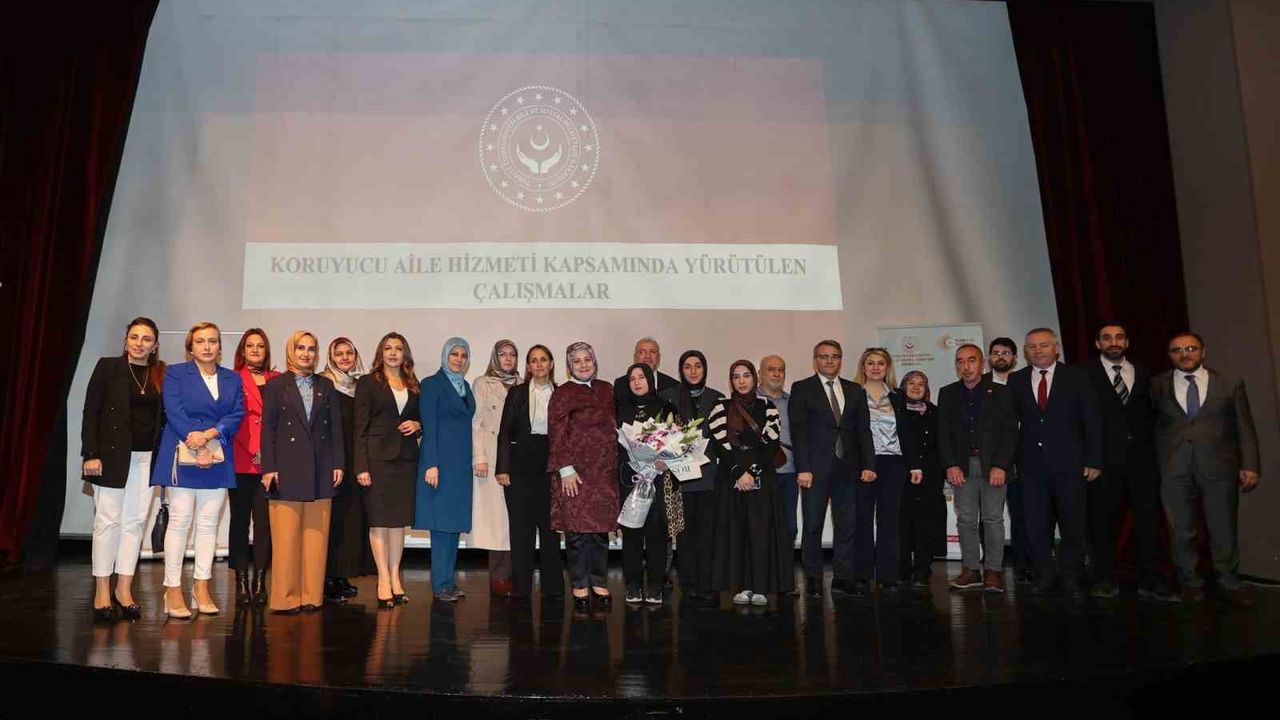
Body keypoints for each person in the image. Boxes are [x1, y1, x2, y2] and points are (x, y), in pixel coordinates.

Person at [1151, 332, 1261, 605]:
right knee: (1181, 529)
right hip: (1174, 469)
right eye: (1177, 350)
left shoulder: (1229, 383)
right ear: (1169, 355)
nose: (1184, 354)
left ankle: (1228, 581)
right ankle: (1189, 582)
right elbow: (1152, 427)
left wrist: (1250, 464)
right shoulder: (1156, 385)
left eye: (1190, 348)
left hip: (1218, 467)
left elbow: (1244, 427)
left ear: (1203, 351)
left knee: (1222, 526)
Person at [150, 321, 245, 618]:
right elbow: (174, 410)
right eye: (201, 341)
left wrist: (210, 436)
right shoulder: (177, 373)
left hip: (217, 455)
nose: (207, 346)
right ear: (190, 347)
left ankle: (201, 586)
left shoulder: (232, 378)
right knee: (180, 521)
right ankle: (173, 589)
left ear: (219, 346)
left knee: (208, 525)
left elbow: (237, 413)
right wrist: (197, 440)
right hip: (183, 452)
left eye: (213, 341)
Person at [81, 316, 165, 620]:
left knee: (134, 523)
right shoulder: (108, 367)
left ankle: (124, 589)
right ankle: (102, 589)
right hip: (111, 457)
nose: (139, 343)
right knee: (107, 522)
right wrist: (90, 453)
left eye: (146, 339)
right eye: (134, 337)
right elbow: (91, 411)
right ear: (125, 340)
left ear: (155, 345)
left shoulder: (161, 373)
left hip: (147, 459)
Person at [1081, 323, 1173, 600]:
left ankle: (1151, 579)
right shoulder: (1082, 374)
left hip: (1143, 462)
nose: (1113, 342)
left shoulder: (1146, 375)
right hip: (1102, 462)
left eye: (1119, 337)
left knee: (1147, 522)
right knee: (1102, 522)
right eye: (1106, 338)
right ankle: (1104, 579)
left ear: (1127, 342)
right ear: (1097, 343)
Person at [1009, 328, 1102, 597]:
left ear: (1056, 348)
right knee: (1036, 525)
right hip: (1030, 468)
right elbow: (1008, 425)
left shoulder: (1077, 376)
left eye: (1044, 345)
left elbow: (1092, 421)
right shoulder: (1016, 380)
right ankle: (1045, 574)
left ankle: (1072, 576)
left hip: (1071, 465)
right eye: (1032, 347)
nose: (1038, 351)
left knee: (1073, 523)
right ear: (1025, 351)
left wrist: (1094, 459)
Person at [260, 330, 345, 614]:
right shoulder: (275, 386)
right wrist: (269, 467)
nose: (306, 354)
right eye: (301, 348)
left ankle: (311, 596)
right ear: (291, 352)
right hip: (286, 469)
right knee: (285, 539)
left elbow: (335, 429)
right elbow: (267, 429)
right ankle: (285, 598)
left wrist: (339, 463)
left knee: (316, 540)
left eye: (311, 349)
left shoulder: (326, 386)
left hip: (322, 469)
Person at [788, 340, 875, 597]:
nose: (829, 361)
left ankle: (842, 578)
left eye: (834, 356)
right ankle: (813, 578)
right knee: (813, 525)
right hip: (814, 470)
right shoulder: (802, 388)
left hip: (848, 469)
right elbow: (799, 431)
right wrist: (803, 467)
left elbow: (863, 431)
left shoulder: (855, 390)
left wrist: (869, 464)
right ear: (815, 359)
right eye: (824, 357)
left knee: (847, 525)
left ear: (841, 359)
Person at [709, 360, 794, 605]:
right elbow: (720, 445)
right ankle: (741, 586)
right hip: (731, 477)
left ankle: (760, 586)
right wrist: (738, 473)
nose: (742, 381)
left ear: (754, 378)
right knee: (737, 531)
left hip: (761, 477)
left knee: (760, 531)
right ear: (731, 381)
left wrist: (752, 473)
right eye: (736, 376)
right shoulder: (720, 407)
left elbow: (771, 444)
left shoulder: (768, 406)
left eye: (746, 375)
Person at [937, 345, 1018, 593]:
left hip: (993, 466)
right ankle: (971, 569)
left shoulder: (1002, 392)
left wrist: (1001, 465)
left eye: (971, 360)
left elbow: (1010, 431)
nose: (966, 366)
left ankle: (993, 571)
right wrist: (950, 464)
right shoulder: (947, 393)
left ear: (982, 364)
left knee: (993, 519)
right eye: (960, 361)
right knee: (966, 520)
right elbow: (943, 433)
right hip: (962, 466)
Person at [547, 342, 619, 612]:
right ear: (569, 367)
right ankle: (579, 584)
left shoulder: (606, 389)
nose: (583, 364)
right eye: (577, 361)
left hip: (604, 472)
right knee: (576, 533)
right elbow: (556, 432)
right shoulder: (563, 393)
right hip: (574, 473)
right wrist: (564, 468)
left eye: (587, 359)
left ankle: (599, 582)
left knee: (600, 532)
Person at [354, 332, 422, 608]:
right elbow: (360, 427)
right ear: (380, 353)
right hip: (377, 460)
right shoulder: (368, 383)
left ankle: (395, 578)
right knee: (379, 521)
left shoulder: (413, 384)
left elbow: (422, 418)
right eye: (388, 348)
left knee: (397, 523)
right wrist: (361, 466)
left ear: (405, 354)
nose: (393, 353)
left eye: (398, 348)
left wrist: (419, 425)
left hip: (406, 460)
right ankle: (382, 579)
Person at [495, 345, 565, 602]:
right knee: (521, 530)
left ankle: (553, 588)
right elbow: (504, 433)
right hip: (520, 467)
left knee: (550, 529)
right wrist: (502, 468)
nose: (538, 365)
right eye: (533, 361)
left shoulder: (562, 393)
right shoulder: (517, 393)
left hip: (552, 466)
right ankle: (521, 588)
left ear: (551, 364)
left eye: (543, 360)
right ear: (528, 366)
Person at [414, 337, 476, 602]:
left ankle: (448, 582)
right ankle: (440, 585)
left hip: (460, 467)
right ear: (445, 356)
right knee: (440, 528)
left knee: (452, 527)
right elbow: (429, 424)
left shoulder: (466, 387)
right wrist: (431, 464)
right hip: (439, 465)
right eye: (454, 354)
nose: (459, 359)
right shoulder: (431, 384)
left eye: (463, 355)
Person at [849, 348, 916, 595]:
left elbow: (906, 433)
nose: (876, 367)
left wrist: (913, 464)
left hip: (893, 463)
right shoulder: (853, 394)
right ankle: (862, 574)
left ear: (887, 368)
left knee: (889, 520)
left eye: (880, 363)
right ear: (863, 367)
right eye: (870, 363)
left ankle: (888, 575)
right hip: (864, 464)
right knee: (862, 519)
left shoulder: (898, 396)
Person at [661, 350, 723, 604]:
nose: (693, 371)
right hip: (681, 477)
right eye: (688, 366)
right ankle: (688, 583)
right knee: (684, 534)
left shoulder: (717, 398)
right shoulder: (668, 398)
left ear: (705, 369)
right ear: (681, 370)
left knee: (708, 532)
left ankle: (707, 582)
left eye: (698, 366)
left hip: (709, 476)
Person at [617, 363, 680, 605]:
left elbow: (678, 444)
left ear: (650, 380)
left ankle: (655, 585)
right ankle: (633, 585)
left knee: (657, 535)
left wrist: (666, 462)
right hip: (630, 480)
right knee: (631, 536)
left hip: (659, 480)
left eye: (641, 377)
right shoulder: (620, 410)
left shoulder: (666, 408)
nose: (636, 382)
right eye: (631, 378)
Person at [229, 328, 278, 606]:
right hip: (241, 458)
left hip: (269, 465)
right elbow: (231, 418)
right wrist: (253, 449)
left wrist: (268, 454)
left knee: (264, 525)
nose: (256, 350)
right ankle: (240, 582)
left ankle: (260, 581)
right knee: (239, 523)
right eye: (250, 346)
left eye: (261, 345)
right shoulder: (232, 379)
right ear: (243, 350)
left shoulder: (277, 379)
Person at [319, 336, 367, 602]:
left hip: (355, 460)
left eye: (350, 352)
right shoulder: (324, 383)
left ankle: (342, 575)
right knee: (331, 520)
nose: (345, 357)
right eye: (339, 353)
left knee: (350, 520)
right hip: (331, 461)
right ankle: (325, 577)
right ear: (331, 356)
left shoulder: (361, 385)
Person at [471, 340, 519, 596]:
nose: (508, 359)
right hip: (491, 455)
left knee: (517, 518)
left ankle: (518, 572)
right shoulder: (482, 383)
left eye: (513, 354)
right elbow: (476, 422)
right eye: (503, 354)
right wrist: (479, 457)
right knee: (497, 519)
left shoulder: (524, 384)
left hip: (519, 457)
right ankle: (500, 576)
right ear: (494, 358)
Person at [987, 336, 1031, 584]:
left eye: (1006, 352)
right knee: (990, 516)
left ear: (1015, 358)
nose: (1001, 356)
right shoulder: (980, 385)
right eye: (996, 352)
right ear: (989, 357)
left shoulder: (1024, 382)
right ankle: (990, 566)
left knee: (1022, 513)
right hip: (987, 464)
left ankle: (1024, 564)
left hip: (1023, 462)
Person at [896, 371, 946, 587]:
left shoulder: (936, 412)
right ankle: (903, 568)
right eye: (911, 383)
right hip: (902, 474)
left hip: (931, 475)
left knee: (927, 522)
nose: (916, 387)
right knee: (902, 522)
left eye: (922, 384)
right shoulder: (894, 411)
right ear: (903, 386)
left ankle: (923, 569)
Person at [757, 354, 797, 560]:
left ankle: (785, 579)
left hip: (788, 473)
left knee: (788, 528)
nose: (776, 374)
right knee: (760, 528)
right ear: (759, 374)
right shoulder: (749, 401)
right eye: (771, 369)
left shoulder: (793, 402)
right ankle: (760, 578)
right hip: (759, 475)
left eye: (780, 370)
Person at [612, 337, 680, 406]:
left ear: (659, 357)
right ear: (635, 357)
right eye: (642, 352)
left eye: (652, 352)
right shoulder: (621, 384)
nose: (647, 356)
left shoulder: (674, 386)